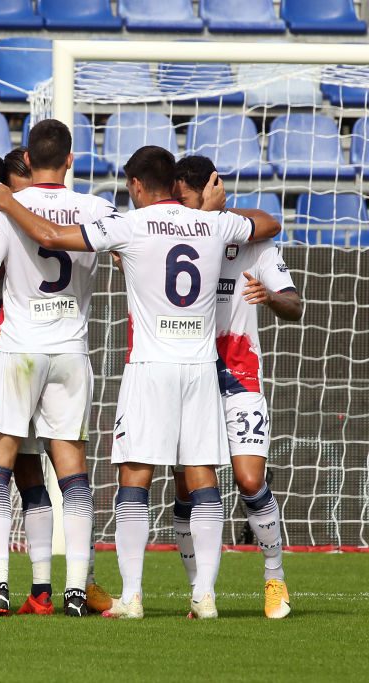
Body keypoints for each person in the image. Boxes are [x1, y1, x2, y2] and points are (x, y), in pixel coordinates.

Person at [0, 144, 281, 619]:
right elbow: (270, 223)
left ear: (136, 185)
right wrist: (215, 211)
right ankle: (205, 596)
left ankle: (131, 595)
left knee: (134, 478)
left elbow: (51, 234)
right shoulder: (217, 223)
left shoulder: (130, 225)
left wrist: (11, 202)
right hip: (199, 368)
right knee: (203, 479)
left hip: (148, 367)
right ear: (175, 183)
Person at [0, 120, 117, 617]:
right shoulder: (97, 208)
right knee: (72, 475)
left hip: (17, 351)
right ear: (71, 159)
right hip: (72, 352)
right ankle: (76, 589)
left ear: (26, 160)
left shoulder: (6, 209)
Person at [171, 156, 302, 619]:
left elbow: (295, 304)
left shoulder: (251, 238)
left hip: (240, 373)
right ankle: (197, 591)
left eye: (188, 197)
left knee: (249, 479)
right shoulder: (174, 235)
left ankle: (274, 577)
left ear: (210, 188)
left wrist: (271, 297)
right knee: (186, 488)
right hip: (187, 371)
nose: (182, 207)